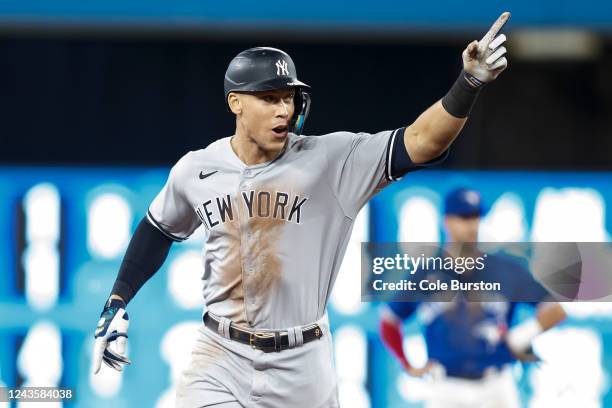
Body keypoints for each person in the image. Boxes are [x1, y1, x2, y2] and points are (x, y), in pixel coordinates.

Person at [92, 12, 513, 408]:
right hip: (219, 351)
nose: (284, 109)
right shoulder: (196, 168)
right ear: (235, 103)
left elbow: (422, 141)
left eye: (289, 98)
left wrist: (468, 83)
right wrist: (117, 299)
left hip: (302, 362)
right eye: (269, 98)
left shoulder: (331, 160)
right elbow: (158, 228)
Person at [379, 187, 568, 408]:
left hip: (496, 385)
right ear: (447, 221)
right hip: (445, 388)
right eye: (464, 217)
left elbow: (555, 310)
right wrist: (406, 363)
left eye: (476, 217)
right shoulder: (426, 273)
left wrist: (518, 337)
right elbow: (389, 320)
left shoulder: (505, 269)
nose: (472, 225)